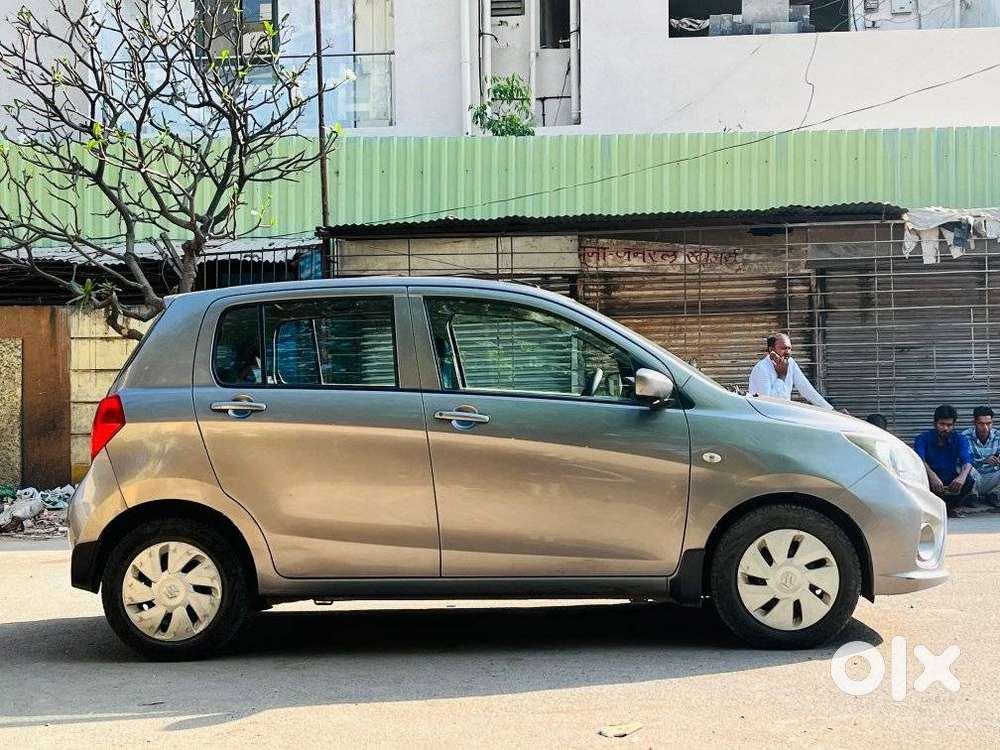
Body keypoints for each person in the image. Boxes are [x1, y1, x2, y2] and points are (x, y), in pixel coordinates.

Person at [914, 405, 974, 517]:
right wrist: (932, 476)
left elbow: (967, 460)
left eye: (949, 425)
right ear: (935, 423)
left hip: (950, 480)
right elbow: (919, 459)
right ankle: (934, 508)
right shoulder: (923, 438)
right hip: (929, 478)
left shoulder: (960, 439)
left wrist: (961, 477)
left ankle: (951, 507)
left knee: (969, 480)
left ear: (953, 425)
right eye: (942, 424)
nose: (945, 428)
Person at [747, 333, 834, 410]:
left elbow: (805, 388)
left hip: (784, 415)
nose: (787, 352)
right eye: (783, 348)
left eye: (789, 348)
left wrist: (830, 410)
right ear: (771, 350)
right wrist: (781, 377)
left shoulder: (790, 362)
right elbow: (767, 404)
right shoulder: (761, 369)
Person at [963, 406, 1000, 508]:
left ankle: (993, 494)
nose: (985, 428)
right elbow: (964, 459)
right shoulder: (965, 436)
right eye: (981, 424)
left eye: (988, 423)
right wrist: (983, 461)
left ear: (992, 422)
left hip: (992, 476)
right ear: (974, 422)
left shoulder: (998, 435)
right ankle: (972, 495)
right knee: (963, 466)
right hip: (975, 476)